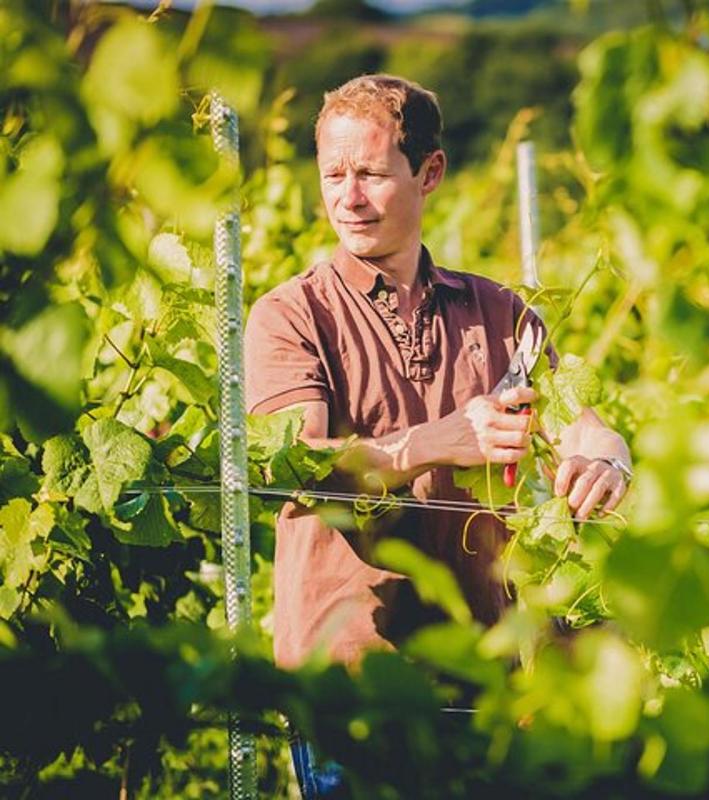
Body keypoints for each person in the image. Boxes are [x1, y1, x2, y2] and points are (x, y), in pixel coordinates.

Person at [246, 73, 631, 795]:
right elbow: (296, 465)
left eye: (369, 173)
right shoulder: (290, 316)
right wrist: (441, 439)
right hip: (353, 685)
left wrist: (607, 459)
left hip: (488, 685)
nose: (347, 197)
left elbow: (581, 426)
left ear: (430, 173)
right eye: (333, 174)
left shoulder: (497, 308)